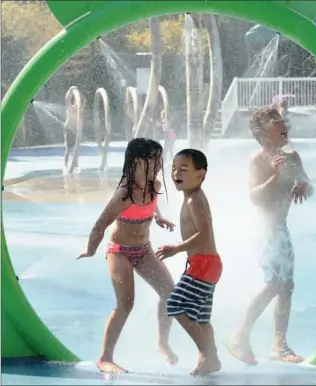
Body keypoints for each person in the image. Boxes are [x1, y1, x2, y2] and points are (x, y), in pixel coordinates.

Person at [77, 138, 178, 374]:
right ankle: (105, 358)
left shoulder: (153, 184)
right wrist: (90, 250)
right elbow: (99, 225)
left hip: (143, 250)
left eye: (160, 159)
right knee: (126, 304)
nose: (159, 165)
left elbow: (152, 203)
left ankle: (162, 342)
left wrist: (158, 217)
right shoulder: (125, 194)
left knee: (169, 294)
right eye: (153, 160)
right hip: (120, 251)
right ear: (136, 162)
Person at [226, 107, 313, 365]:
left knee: (287, 286)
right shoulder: (257, 161)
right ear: (263, 135)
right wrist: (275, 178)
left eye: (282, 121)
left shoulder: (293, 157)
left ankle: (279, 344)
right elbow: (253, 197)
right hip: (265, 228)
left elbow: (308, 185)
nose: (283, 124)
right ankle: (239, 333)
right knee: (275, 283)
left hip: (281, 229)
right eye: (276, 123)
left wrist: (305, 187)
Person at [157, 149, 222, 376]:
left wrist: (176, 248)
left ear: (201, 174)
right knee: (202, 318)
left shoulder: (195, 200)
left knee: (174, 305)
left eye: (184, 169)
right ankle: (210, 357)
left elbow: (204, 234)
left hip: (204, 264)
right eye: (174, 168)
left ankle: (207, 353)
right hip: (206, 264)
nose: (176, 173)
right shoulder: (190, 197)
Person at [63, 95, 79, 171]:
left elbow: (84, 101)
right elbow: (67, 98)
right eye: (76, 100)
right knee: (69, 148)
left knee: (74, 148)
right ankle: (65, 165)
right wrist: (71, 89)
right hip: (69, 129)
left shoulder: (79, 110)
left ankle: (74, 165)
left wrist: (81, 96)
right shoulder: (70, 107)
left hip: (75, 130)